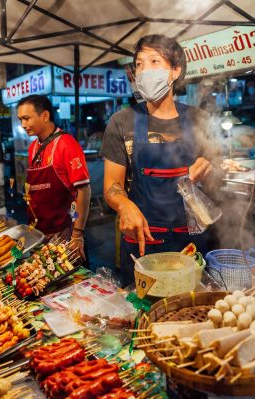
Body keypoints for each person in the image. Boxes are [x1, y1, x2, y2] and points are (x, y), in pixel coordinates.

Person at [102, 34, 216, 286]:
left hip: (191, 242)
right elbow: (112, 186)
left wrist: (209, 169)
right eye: (139, 65)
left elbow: (215, 183)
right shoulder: (122, 122)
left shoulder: (199, 120)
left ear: (175, 71)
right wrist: (123, 205)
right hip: (143, 242)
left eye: (154, 62)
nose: (144, 71)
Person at [17, 95, 91, 261]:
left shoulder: (66, 144)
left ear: (45, 115)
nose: (23, 125)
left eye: (27, 118)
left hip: (64, 231)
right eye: (20, 119)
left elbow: (84, 190)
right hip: (38, 231)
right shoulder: (32, 148)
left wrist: (78, 234)